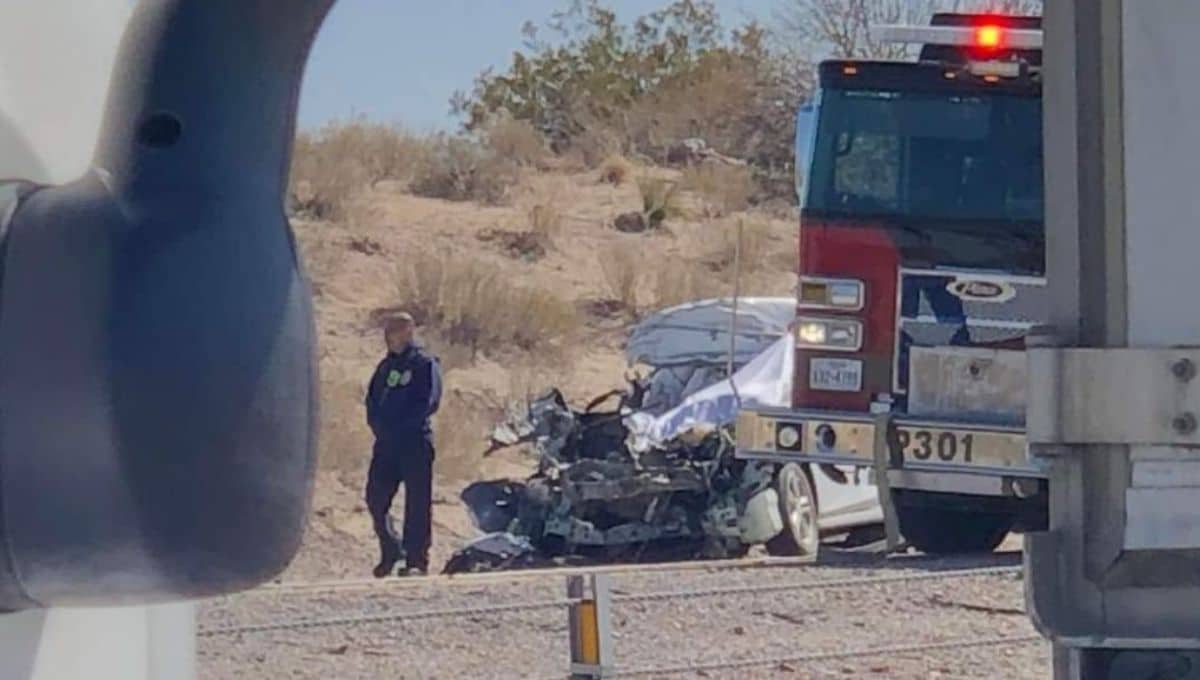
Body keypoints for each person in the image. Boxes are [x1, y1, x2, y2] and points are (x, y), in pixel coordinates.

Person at [364, 313, 441, 577]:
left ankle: (416, 560)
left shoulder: (423, 364)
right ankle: (390, 547)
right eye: (388, 331)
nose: (390, 336)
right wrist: (377, 424)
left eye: (395, 330)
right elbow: (372, 399)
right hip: (386, 445)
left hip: (415, 442)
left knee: (417, 503)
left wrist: (401, 426)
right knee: (375, 498)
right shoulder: (386, 367)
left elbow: (428, 402)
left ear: (408, 331)